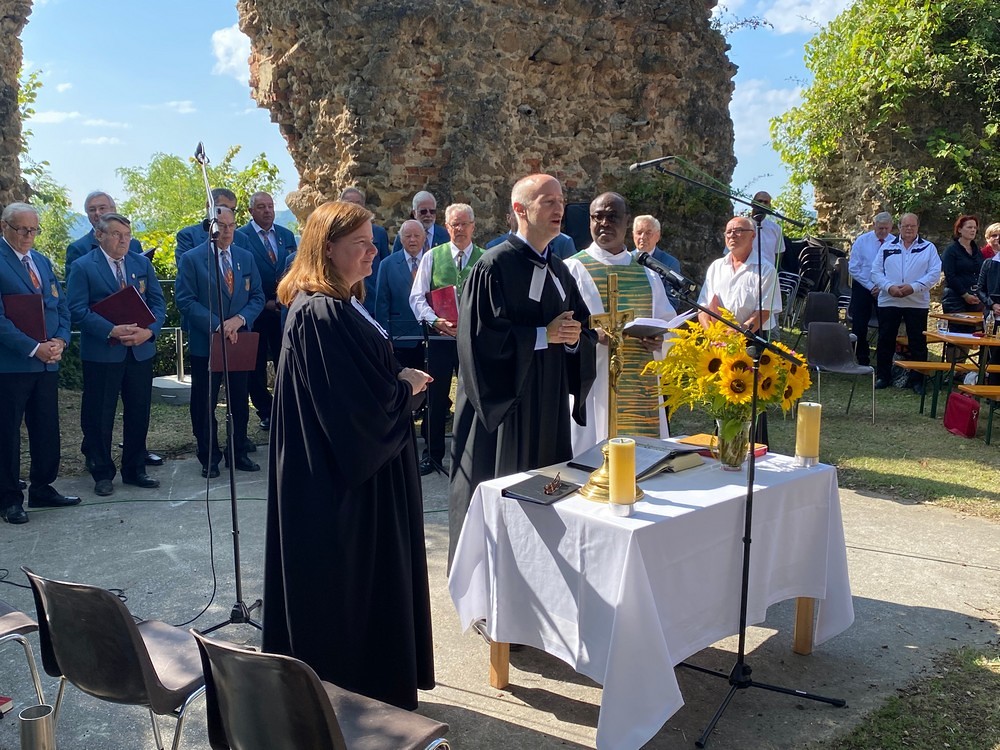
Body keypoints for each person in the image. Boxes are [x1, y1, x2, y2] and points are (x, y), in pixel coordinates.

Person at [262, 200, 435, 711]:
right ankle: (355, 693)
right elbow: (353, 411)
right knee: (346, 584)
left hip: (359, 473)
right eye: (360, 243)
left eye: (372, 241)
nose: (372, 251)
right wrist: (404, 389)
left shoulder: (341, 303)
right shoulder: (320, 312)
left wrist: (394, 380)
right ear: (327, 248)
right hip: (342, 482)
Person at [448, 174, 596, 565]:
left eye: (561, 200)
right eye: (548, 201)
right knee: (504, 494)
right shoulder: (493, 266)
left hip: (547, 405)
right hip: (505, 406)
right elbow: (479, 342)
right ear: (520, 209)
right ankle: (492, 575)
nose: (559, 208)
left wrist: (573, 338)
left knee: (547, 488)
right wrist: (543, 335)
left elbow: (583, 330)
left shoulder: (561, 271)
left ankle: (542, 569)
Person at [564, 194, 675, 452]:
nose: (604, 223)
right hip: (594, 382)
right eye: (597, 217)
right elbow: (561, 326)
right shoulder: (572, 269)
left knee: (644, 461)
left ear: (627, 222)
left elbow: (668, 323)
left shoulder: (648, 273)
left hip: (641, 384)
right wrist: (592, 335)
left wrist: (660, 340)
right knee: (592, 456)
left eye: (612, 217)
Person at [68, 213, 166, 496]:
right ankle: (102, 472)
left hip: (139, 351)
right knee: (99, 414)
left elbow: (158, 304)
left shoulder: (141, 263)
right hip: (103, 352)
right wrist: (110, 330)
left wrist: (149, 332)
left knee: (138, 411)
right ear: (99, 235)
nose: (123, 240)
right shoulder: (83, 266)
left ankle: (135, 469)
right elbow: (76, 309)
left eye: (127, 235)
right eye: (116, 234)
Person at [0, 203, 80, 524]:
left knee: (46, 428)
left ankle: (43, 487)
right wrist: (34, 348)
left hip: (48, 362)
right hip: (13, 365)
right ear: (4, 226)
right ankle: (9, 498)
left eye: (34, 230)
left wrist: (61, 340)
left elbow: (61, 306)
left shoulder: (42, 261)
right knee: (7, 433)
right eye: (22, 229)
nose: (29, 236)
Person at [175, 207, 264, 477]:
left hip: (239, 340)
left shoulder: (245, 257)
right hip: (207, 343)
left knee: (239, 400)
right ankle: (209, 457)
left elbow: (257, 296)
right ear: (209, 228)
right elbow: (185, 300)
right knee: (205, 403)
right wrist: (218, 324)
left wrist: (239, 320)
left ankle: (238, 452)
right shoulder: (192, 259)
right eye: (221, 226)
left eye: (231, 225)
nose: (227, 231)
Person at [409, 203, 487, 475]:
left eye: (465, 224)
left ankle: (472, 455)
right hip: (440, 340)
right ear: (447, 227)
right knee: (436, 397)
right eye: (455, 224)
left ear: (473, 227)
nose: (460, 229)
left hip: (473, 341)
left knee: (474, 396)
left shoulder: (485, 259)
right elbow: (417, 297)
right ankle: (432, 455)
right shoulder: (432, 256)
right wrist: (434, 321)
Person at [237, 192, 297, 431]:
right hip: (255, 313)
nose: (267, 211)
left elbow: (294, 268)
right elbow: (241, 274)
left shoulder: (286, 235)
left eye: (270, 206)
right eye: (261, 207)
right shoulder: (241, 236)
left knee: (286, 359)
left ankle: (287, 408)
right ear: (251, 211)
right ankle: (266, 411)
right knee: (257, 364)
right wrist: (264, 303)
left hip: (284, 310)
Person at [872, 213, 942, 394]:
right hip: (889, 300)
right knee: (885, 339)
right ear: (899, 227)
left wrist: (914, 287)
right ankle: (883, 376)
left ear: (918, 227)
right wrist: (889, 287)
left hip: (916, 302)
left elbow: (934, 273)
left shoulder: (928, 248)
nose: (909, 229)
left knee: (918, 342)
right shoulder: (887, 247)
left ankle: (918, 380)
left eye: (912, 225)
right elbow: (876, 272)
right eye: (905, 226)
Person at [698, 216, 782, 334]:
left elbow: (764, 312)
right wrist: (712, 335)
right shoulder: (716, 267)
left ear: (753, 235)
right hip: (715, 337)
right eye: (728, 232)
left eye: (738, 230)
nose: (732, 235)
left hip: (750, 336)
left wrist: (737, 335)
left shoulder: (765, 270)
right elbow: (703, 307)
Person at [375, 219, 426, 370]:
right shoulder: (387, 265)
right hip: (401, 338)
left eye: (416, 235)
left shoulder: (434, 261)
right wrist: (385, 337)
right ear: (401, 239)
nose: (412, 240)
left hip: (430, 336)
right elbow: (382, 304)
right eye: (408, 236)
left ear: (424, 238)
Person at [65, 191, 143, 284]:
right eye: (92, 210)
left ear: (113, 210)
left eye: (102, 208)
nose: (97, 213)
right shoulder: (78, 249)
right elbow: (74, 286)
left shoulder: (134, 245)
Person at [848, 212, 895, 365]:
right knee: (859, 324)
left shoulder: (895, 242)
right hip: (863, 286)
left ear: (891, 227)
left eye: (886, 228)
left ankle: (884, 359)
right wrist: (870, 286)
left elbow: (896, 269)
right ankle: (861, 358)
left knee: (886, 324)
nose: (883, 232)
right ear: (874, 225)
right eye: (880, 228)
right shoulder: (862, 241)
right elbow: (853, 268)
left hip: (885, 288)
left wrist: (882, 286)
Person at [340, 187, 390, 312]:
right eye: (349, 203)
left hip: (372, 300)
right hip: (344, 299)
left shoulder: (378, 233)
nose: (354, 207)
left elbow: (385, 268)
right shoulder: (336, 234)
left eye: (358, 203)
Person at [174, 188, 247, 271]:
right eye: (223, 207)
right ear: (209, 206)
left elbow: (248, 270)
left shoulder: (241, 238)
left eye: (232, 210)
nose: (227, 212)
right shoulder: (188, 236)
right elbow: (186, 269)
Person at [632, 214, 685, 311]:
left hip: (657, 317)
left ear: (657, 236)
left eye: (648, 233)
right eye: (639, 233)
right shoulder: (626, 259)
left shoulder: (669, 263)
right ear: (633, 235)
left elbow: (673, 301)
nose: (643, 237)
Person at [941, 214, 984, 333]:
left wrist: (979, 294)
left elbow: (980, 273)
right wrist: (965, 295)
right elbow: (950, 275)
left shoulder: (977, 250)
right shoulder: (951, 250)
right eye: (969, 227)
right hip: (955, 298)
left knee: (973, 333)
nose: (973, 230)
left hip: (974, 298)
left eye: (975, 228)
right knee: (958, 333)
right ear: (959, 229)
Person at [488, 206, 577, 258]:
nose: (524, 218)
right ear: (508, 218)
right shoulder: (494, 246)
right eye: (518, 214)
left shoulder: (563, 242)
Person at [749, 191, 783, 269]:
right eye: (759, 201)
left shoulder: (776, 228)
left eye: (766, 202)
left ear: (769, 207)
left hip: (768, 272)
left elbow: (779, 253)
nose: (762, 204)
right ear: (752, 203)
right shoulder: (740, 226)